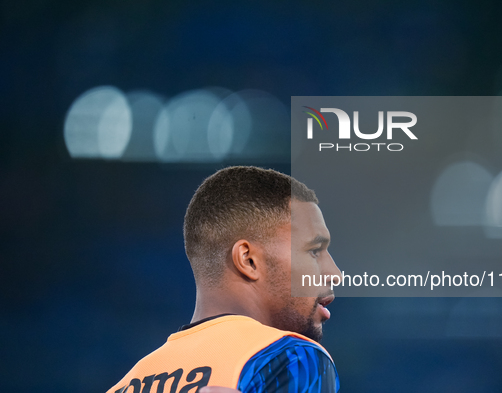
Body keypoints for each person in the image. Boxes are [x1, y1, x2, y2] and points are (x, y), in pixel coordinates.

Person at [107, 166, 341, 393]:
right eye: (314, 251)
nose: (335, 274)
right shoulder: (289, 358)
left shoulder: (124, 384)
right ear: (248, 260)